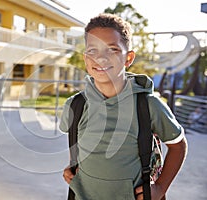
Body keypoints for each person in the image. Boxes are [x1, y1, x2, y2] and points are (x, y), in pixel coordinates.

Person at [59, 13, 187, 200]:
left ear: (128, 58)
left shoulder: (148, 105)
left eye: (112, 50)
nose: (101, 58)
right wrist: (73, 167)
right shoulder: (75, 105)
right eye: (93, 50)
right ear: (85, 58)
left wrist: (160, 188)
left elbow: (178, 146)